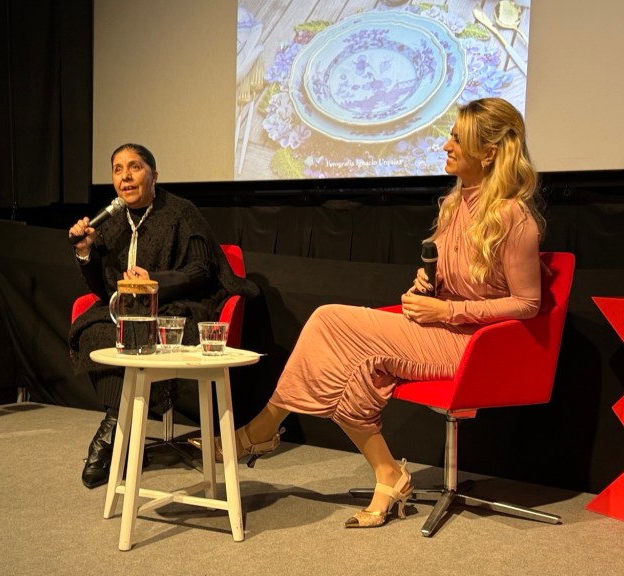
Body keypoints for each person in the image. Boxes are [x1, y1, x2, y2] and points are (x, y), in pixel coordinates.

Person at [194, 97, 545, 528]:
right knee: (354, 366)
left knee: (329, 320)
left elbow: (527, 303)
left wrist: (448, 308)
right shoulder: (455, 205)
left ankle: (260, 431)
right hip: (439, 328)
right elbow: (460, 277)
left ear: (487, 153)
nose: (446, 145)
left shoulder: (514, 218)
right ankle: (388, 474)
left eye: (457, 138)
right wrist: (427, 286)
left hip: (474, 346)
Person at [68, 143, 256, 489]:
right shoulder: (110, 221)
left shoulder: (180, 212)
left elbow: (202, 269)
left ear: (153, 175)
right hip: (128, 309)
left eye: (135, 167)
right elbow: (103, 287)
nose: (126, 176)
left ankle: (112, 435)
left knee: (139, 333)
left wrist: (156, 282)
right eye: (118, 169)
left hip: (179, 306)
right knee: (94, 331)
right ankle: (123, 427)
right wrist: (85, 253)